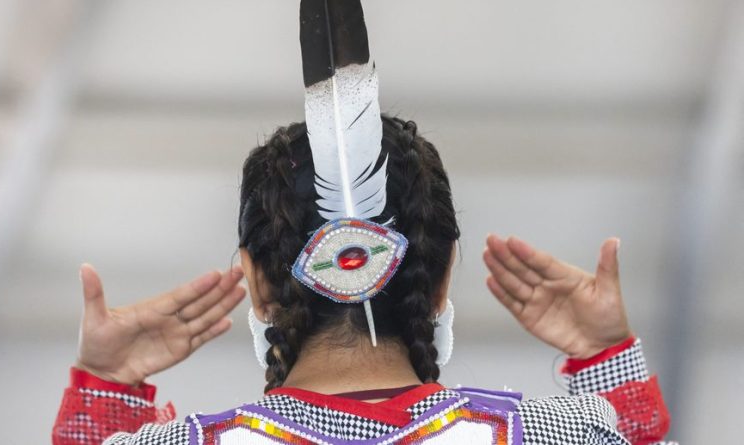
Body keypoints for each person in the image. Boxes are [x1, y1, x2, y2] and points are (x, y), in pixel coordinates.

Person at [53, 1, 675, 444]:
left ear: (256, 283)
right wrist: (605, 362)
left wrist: (106, 393)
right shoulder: (562, 434)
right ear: (440, 277)